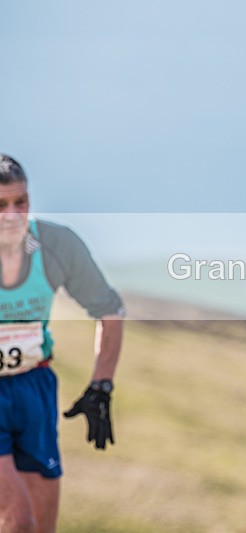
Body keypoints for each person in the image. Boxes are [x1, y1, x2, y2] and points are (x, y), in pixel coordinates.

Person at [0, 154, 124, 533]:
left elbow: (110, 310)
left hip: (33, 386)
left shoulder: (54, 244)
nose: (12, 215)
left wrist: (102, 384)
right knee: (18, 519)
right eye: (0, 205)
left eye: (20, 202)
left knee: (41, 525)